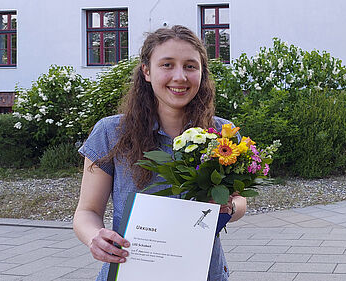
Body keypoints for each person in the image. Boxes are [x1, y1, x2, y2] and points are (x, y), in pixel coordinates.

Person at [73, 25, 247, 281]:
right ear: (146, 71)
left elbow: (239, 201)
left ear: (202, 72)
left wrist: (229, 206)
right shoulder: (111, 132)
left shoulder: (223, 134)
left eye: (190, 66)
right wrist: (94, 237)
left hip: (204, 272)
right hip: (131, 271)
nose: (180, 76)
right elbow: (86, 211)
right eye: (167, 64)